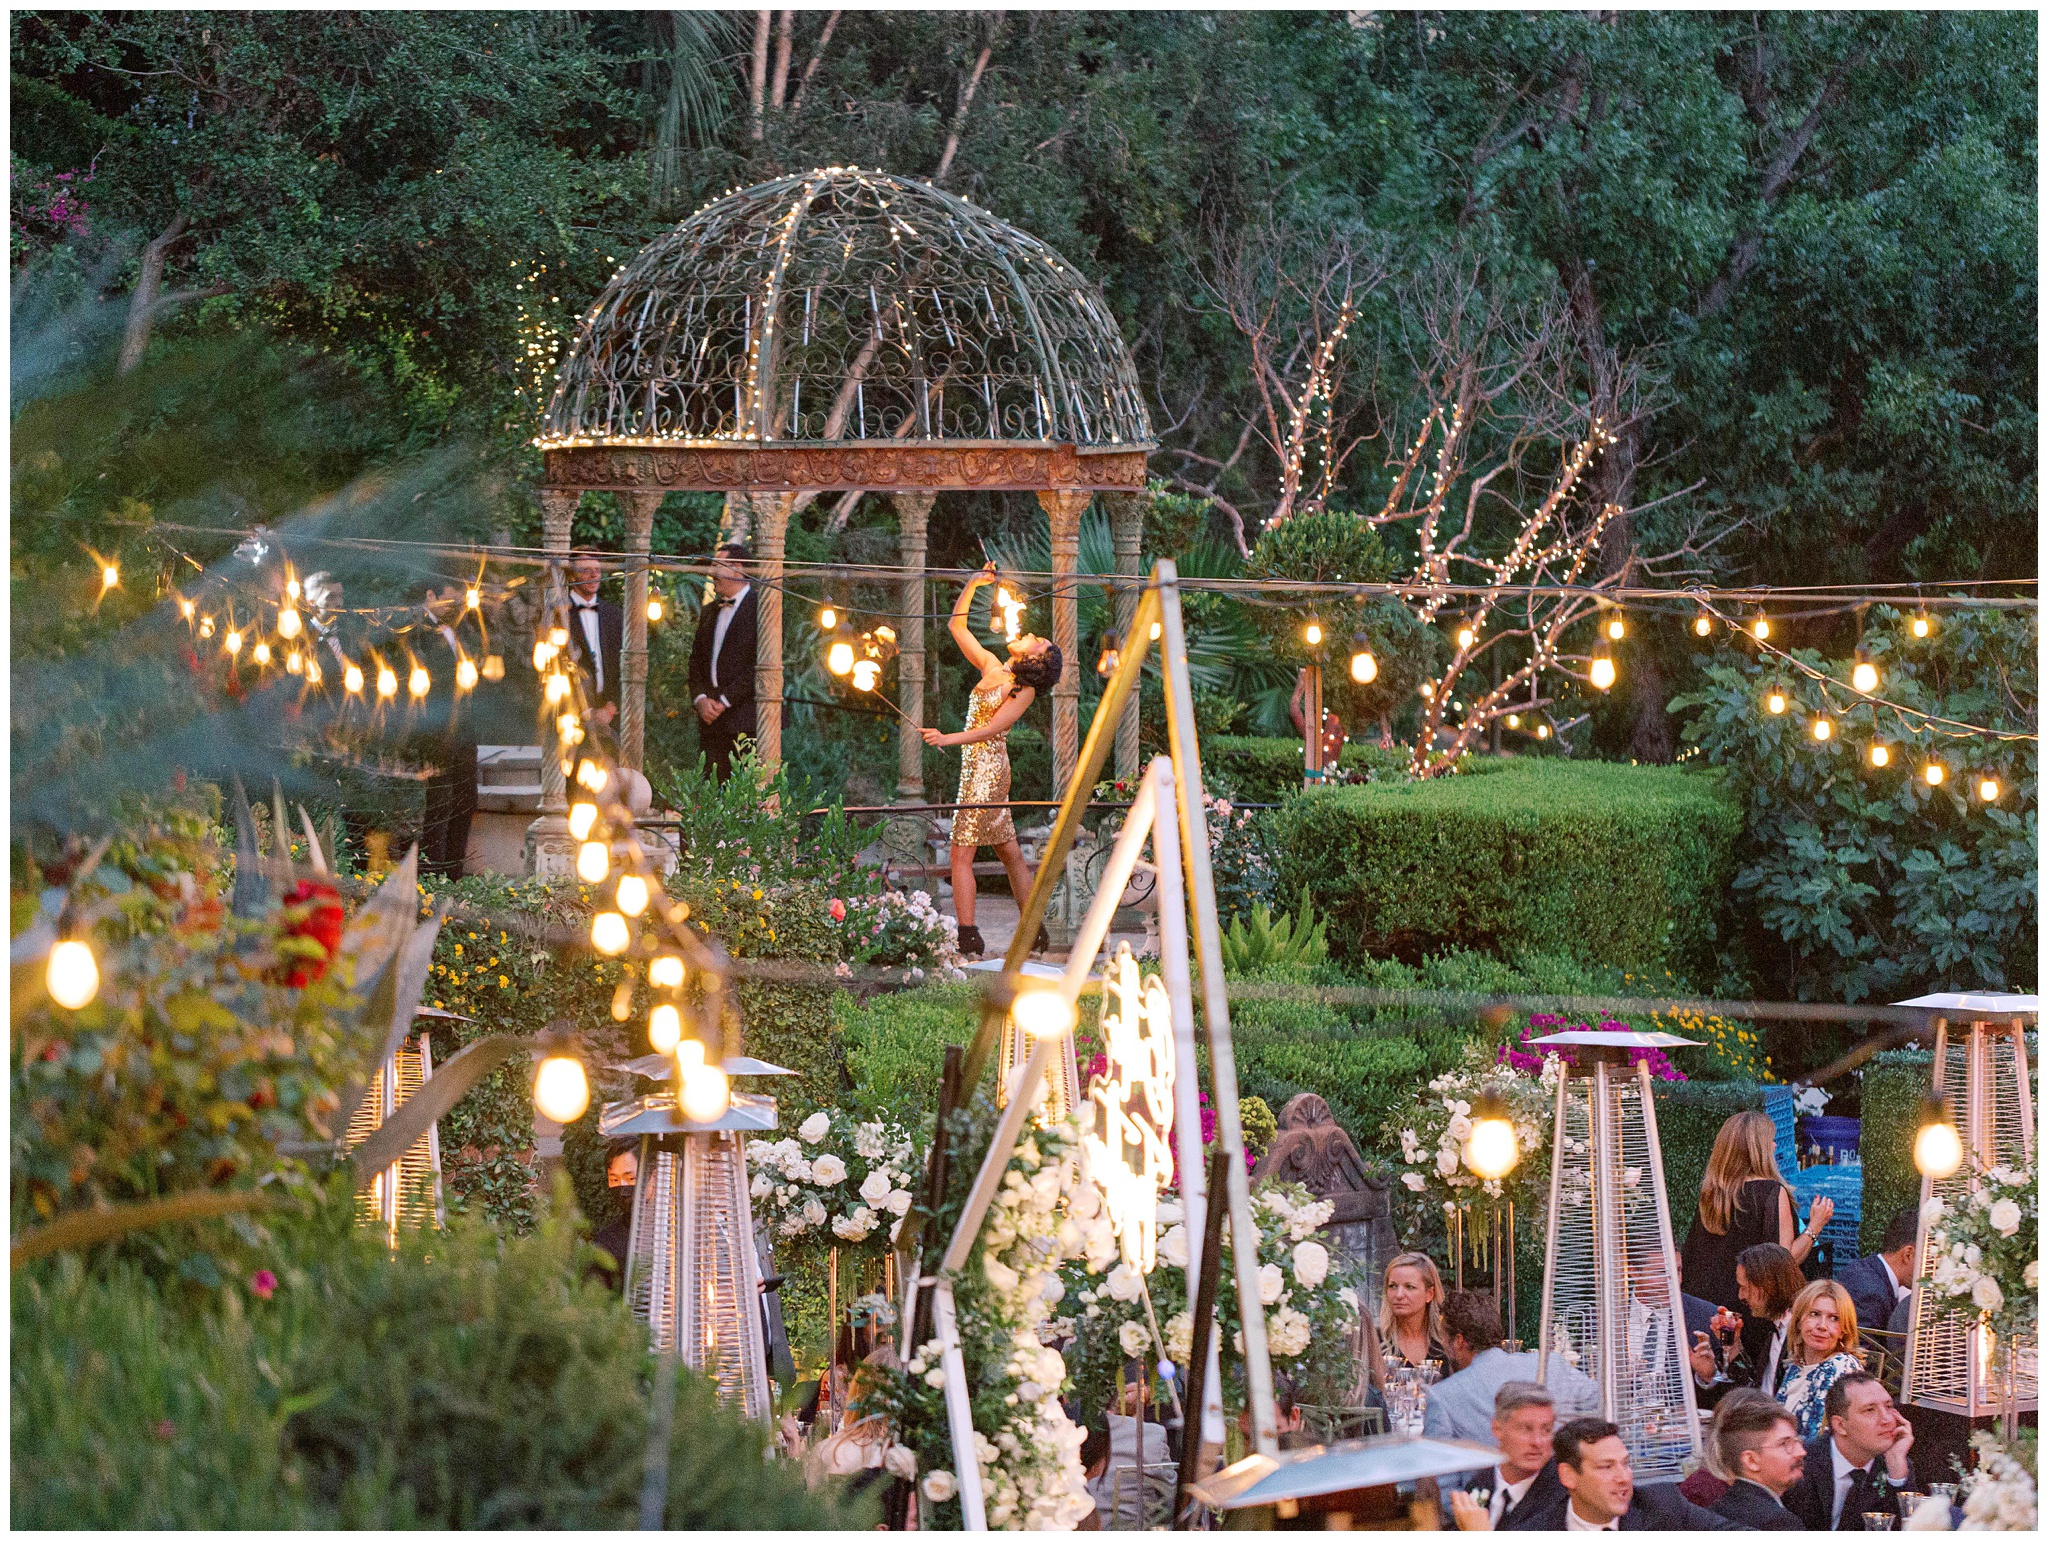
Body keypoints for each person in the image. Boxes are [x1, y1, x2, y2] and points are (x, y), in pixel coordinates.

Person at [921, 564, 1063, 958]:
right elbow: (957, 627)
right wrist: (973, 585)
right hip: (976, 768)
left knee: (960, 853)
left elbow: (991, 729)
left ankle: (968, 936)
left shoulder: (1023, 690)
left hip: (987, 773)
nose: (1029, 634)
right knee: (1009, 851)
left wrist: (947, 737)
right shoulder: (992, 667)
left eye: (1037, 639)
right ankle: (1034, 929)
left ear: (1038, 659)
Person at [1682, 1111, 1833, 1315]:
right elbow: (1783, 1260)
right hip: (1751, 1309)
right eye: (1770, 1140)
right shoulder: (1770, 1192)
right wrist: (1815, 1225)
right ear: (1758, 1149)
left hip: (1706, 1308)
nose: (1775, 1146)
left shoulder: (1712, 1194)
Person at [1492, 1418, 1736, 1531]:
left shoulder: (1663, 1505)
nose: (1624, 1477)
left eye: (1625, 1464)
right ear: (1568, 1476)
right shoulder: (1534, 1531)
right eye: (1606, 1467)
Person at [1424, 1291, 1597, 1442]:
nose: (1443, 1346)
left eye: (1444, 1339)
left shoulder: (1443, 1396)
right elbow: (1603, 1404)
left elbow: (1442, 1475)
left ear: (1459, 1342)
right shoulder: (1551, 1364)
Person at [1779, 1373, 1917, 1531]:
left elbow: (1912, 1530)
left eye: (1888, 1406)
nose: (1886, 1419)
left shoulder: (1895, 1463)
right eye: (1870, 1410)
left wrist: (1897, 1471)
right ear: (1840, 1425)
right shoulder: (1800, 1463)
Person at [1445, 1382, 1565, 1530]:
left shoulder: (1563, 1496)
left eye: (1546, 1430)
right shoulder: (1481, 1481)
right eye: (1526, 1429)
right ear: (1497, 1428)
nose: (1537, 1442)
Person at [686, 544, 759, 782]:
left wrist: (724, 701)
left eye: (716, 565)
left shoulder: (762, 608)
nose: (711, 572)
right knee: (710, 788)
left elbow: (761, 666)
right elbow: (695, 661)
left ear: (737, 569)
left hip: (746, 717)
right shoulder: (709, 611)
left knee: (743, 790)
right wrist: (701, 699)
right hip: (710, 719)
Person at [1706, 1390, 1807, 1530]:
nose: (1801, 1452)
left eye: (1797, 1441)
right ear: (1751, 1460)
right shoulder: (1779, 1523)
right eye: (1785, 1444)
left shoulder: (1712, 1513)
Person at [1776, 1280, 1865, 1438]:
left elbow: (1816, 1439)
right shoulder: (1797, 1366)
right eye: (1814, 1314)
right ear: (1798, 1321)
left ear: (1844, 1329)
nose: (1822, 1326)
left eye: (1834, 1318)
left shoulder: (1840, 1367)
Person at [1835, 1207, 1917, 1369]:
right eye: (1930, 1258)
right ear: (1908, 1254)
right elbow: (1864, 1362)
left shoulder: (1867, 1269)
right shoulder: (1870, 1291)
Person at [1726, 1243, 1810, 1399]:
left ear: (1767, 1286)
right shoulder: (1772, 1326)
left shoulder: (1803, 1334)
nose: (1741, 1295)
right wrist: (1734, 1345)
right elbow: (1754, 1391)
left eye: (1745, 1287)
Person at [564, 550, 624, 733]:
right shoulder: (559, 614)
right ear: (572, 576)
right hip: (570, 716)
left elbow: (625, 664)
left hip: (610, 716)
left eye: (597, 570)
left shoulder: (614, 615)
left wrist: (611, 708)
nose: (594, 575)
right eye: (586, 570)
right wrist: (586, 712)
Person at [1370, 1251, 1450, 1388]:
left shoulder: (1447, 1344)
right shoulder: (1374, 1342)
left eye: (1409, 1287)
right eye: (1392, 1286)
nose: (1399, 1295)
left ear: (1429, 1294)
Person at [585, 1142, 638, 1291]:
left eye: (631, 1179)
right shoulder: (606, 1243)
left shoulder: (678, 1231)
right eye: (614, 1180)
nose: (622, 1190)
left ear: (653, 1176)